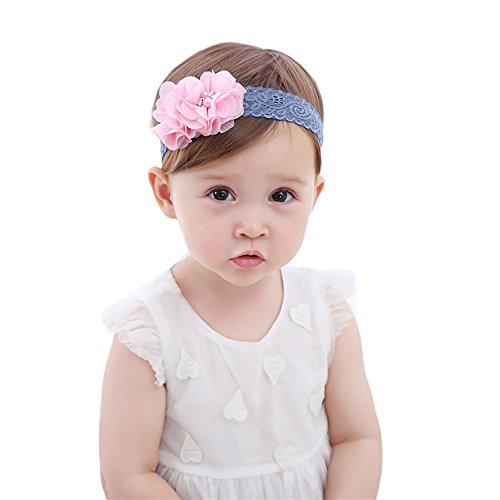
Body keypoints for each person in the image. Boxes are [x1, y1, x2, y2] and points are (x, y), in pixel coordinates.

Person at [99, 42, 382, 499]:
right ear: (167, 194)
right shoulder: (150, 333)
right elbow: (128, 475)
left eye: (281, 196)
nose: (253, 226)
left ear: (314, 195)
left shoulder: (325, 311)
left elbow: (357, 439)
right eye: (221, 194)